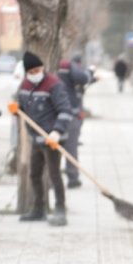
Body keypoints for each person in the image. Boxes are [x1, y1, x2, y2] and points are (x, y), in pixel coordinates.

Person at [8, 51, 73, 227]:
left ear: (42, 68)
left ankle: (60, 210)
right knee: (34, 174)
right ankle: (39, 209)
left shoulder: (54, 84)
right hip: (36, 138)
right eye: (32, 71)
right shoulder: (25, 85)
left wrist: (57, 132)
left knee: (54, 174)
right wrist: (16, 109)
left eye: (38, 70)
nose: (36, 74)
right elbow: (21, 107)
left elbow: (66, 110)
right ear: (27, 72)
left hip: (53, 138)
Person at [58, 55, 91, 189]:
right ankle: (72, 178)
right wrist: (89, 73)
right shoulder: (68, 65)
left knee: (53, 149)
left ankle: (51, 180)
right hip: (70, 113)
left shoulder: (55, 65)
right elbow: (83, 78)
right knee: (71, 147)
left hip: (54, 114)